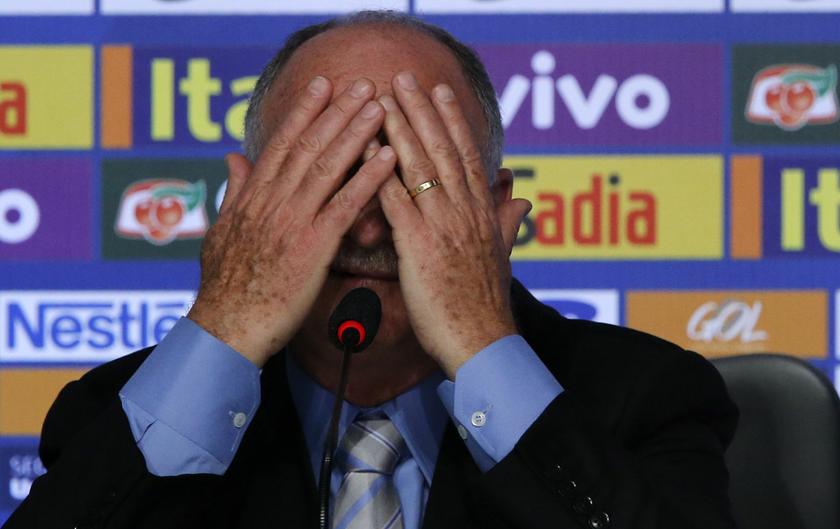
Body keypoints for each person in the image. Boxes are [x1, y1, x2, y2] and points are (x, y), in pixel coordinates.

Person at [4, 11, 738, 529]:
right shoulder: (116, 414)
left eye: (416, 176)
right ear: (252, 206)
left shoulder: (645, 397)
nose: (366, 222)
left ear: (493, 211)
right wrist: (226, 324)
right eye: (332, 174)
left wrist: (481, 337)